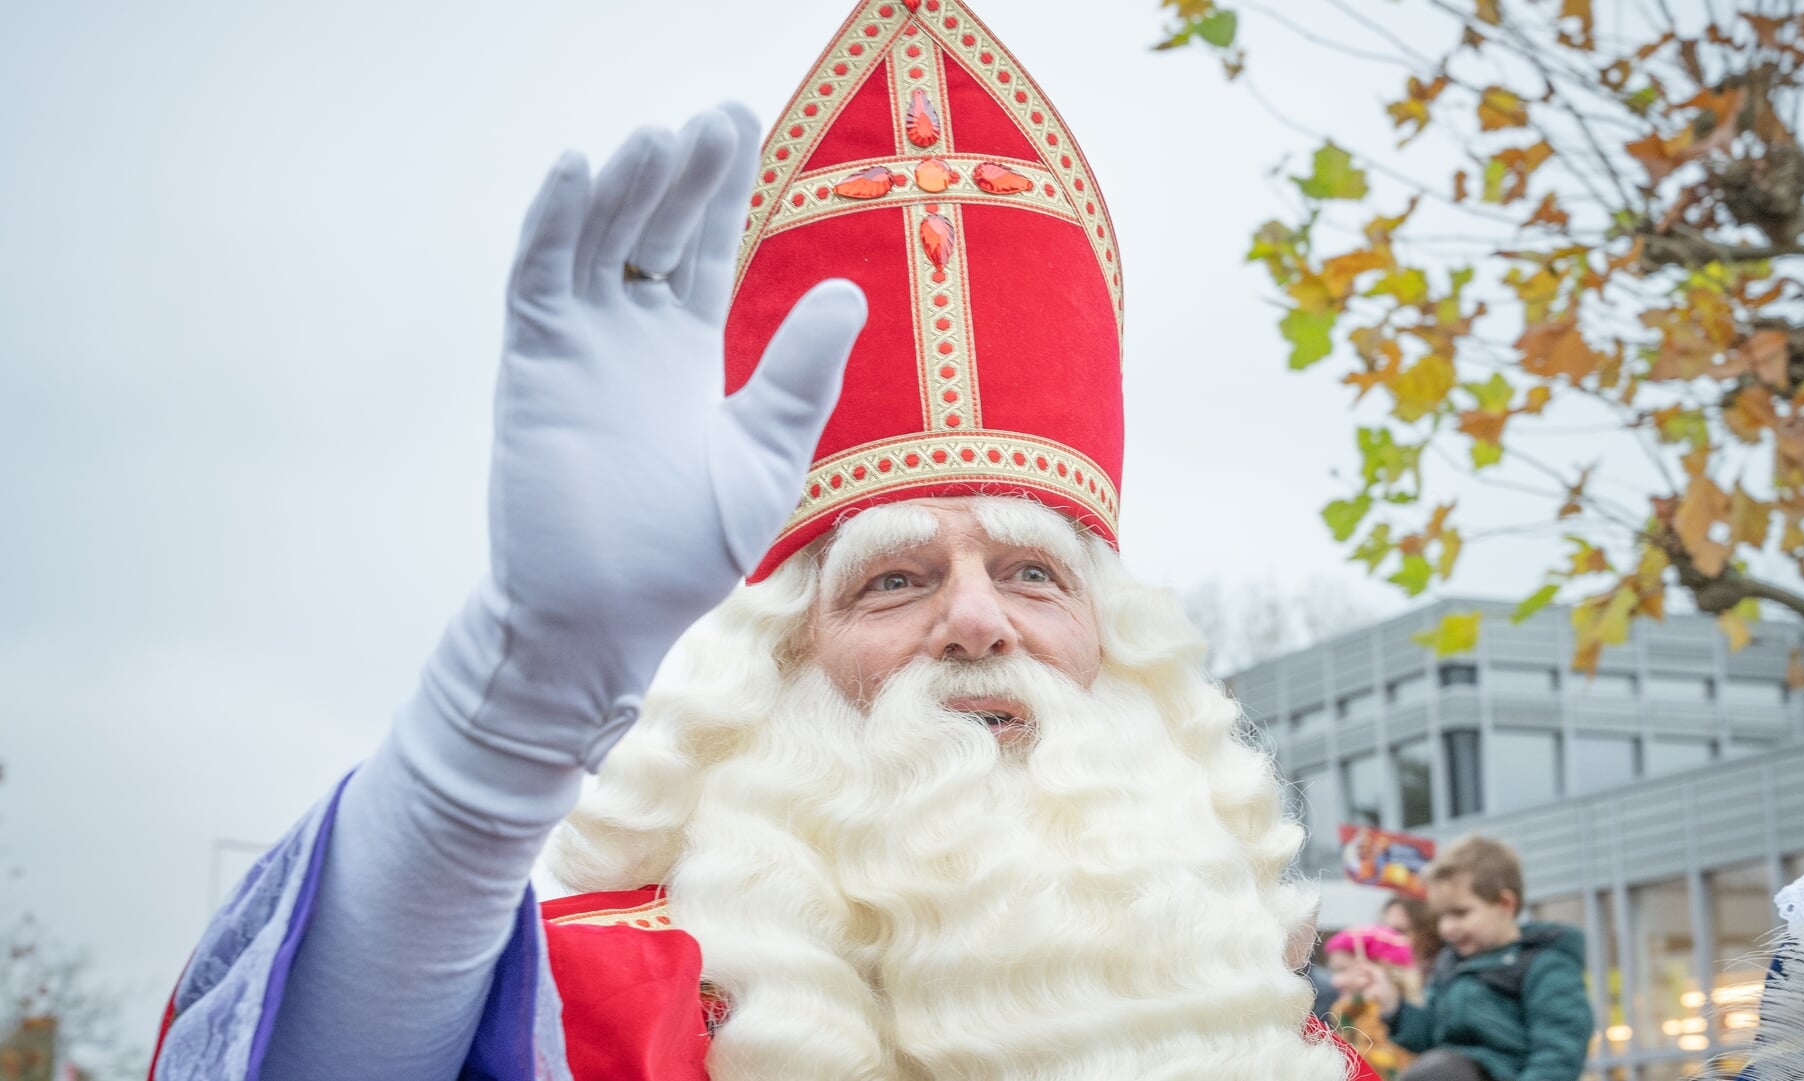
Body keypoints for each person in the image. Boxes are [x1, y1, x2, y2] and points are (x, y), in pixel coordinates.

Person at [145, 3, 1377, 1080]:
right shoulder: (605, 1006)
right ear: (778, 660)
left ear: (1112, 644)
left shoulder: (1265, 1038)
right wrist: (521, 694)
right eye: (894, 580)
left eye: (1031, 573)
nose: (976, 620)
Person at [1356, 836, 1592, 1081]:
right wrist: (1394, 1005)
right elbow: (1432, 1036)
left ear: (1505, 904)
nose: (1447, 928)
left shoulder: (1543, 965)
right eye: (1441, 916)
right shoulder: (1450, 964)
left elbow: (1558, 1052)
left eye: (1460, 913)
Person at [1323, 925, 1419, 1080]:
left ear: (1380, 969)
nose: (1335, 982)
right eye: (1334, 971)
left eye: (1343, 969)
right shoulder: (1343, 1015)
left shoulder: (1414, 1023)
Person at [1381, 894, 1443, 979]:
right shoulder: (1382, 974)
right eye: (1384, 932)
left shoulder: (1442, 974)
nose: (1387, 939)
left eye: (1399, 932)